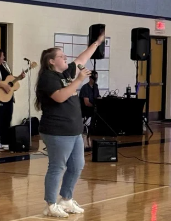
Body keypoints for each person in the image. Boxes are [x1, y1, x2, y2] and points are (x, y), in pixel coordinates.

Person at [35, 32, 105, 217]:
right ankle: (50, 205)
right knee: (57, 166)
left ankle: (66, 199)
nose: (65, 57)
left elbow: (82, 58)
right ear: (51, 61)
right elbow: (60, 97)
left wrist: (97, 43)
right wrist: (80, 80)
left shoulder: (65, 73)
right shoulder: (48, 78)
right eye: (61, 56)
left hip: (74, 130)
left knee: (77, 166)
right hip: (57, 130)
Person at [0, 49, 25, 150]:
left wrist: (20, 77)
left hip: (8, 97)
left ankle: (4, 140)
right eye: (2, 56)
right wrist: (3, 86)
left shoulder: (5, 66)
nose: (4, 57)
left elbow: (10, 80)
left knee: (7, 118)